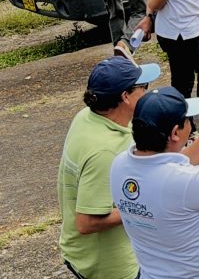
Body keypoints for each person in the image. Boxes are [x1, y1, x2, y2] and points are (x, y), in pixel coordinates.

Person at [110, 88, 199, 278]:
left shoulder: (120, 164)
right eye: (187, 120)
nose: (189, 124)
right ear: (175, 132)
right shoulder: (189, 181)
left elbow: (170, 166)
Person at [59, 57, 161, 279]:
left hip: (83, 253)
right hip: (111, 264)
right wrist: (144, 208)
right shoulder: (104, 152)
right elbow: (86, 223)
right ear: (125, 97)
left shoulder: (88, 117)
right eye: (143, 88)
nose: (147, 93)